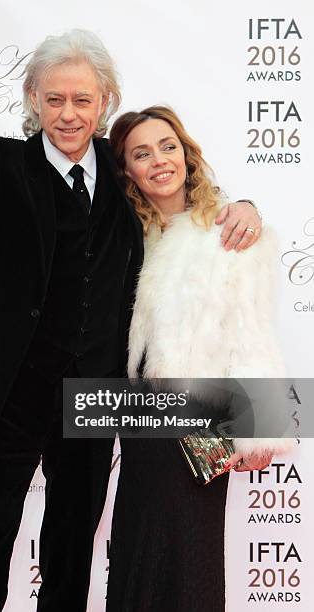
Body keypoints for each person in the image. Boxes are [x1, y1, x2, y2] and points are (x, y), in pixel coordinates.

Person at [0, 24, 262, 612]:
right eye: (54, 99)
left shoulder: (126, 174)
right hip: (6, 396)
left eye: (82, 99)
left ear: (105, 103)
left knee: (71, 555)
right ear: (32, 100)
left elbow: (185, 204)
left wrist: (245, 207)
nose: (68, 114)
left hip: (94, 401)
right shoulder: (2, 163)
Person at [106, 106, 294, 612]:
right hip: (139, 424)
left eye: (168, 146)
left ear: (186, 155)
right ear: (127, 170)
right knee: (134, 549)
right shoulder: (126, 238)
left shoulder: (227, 232)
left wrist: (260, 426)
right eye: (141, 154)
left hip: (198, 426)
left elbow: (250, 332)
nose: (159, 161)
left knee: (190, 555)